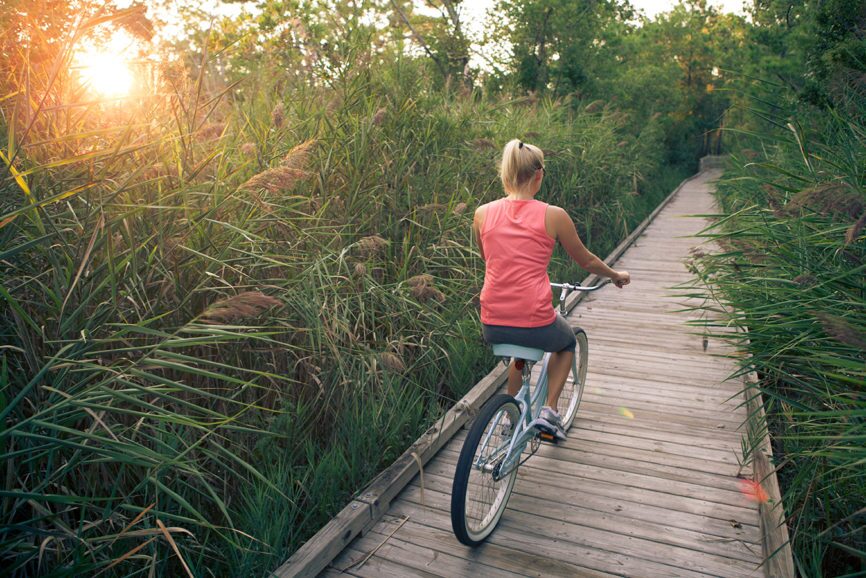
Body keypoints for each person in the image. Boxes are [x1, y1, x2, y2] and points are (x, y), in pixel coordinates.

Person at [473, 139, 630, 440]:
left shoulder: (482, 213)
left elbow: (491, 260)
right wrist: (614, 275)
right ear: (539, 176)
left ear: (505, 174)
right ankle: (550, 411)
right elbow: (586, 260)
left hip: (491, 320)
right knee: (566, 342)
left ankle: (510, 416)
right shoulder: (553, 215)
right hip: (532, 317)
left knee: (520, 352)